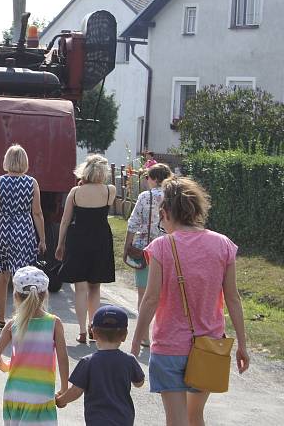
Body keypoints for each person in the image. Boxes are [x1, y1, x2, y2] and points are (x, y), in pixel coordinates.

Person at [130, 177, 249, 426]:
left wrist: (136, 343)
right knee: (196, 416)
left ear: (165, 213)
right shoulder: (223, 244)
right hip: (209, 346)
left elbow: (151, 299)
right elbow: (233, 299)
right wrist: (242, 345)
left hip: (169, 347)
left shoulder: (161, 247)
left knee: (176, 420)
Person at [0, 265, 68, 425]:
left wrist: (7, 367)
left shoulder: (13, 324)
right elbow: (62, 358)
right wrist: (64, 388)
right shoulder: (54, 323)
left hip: (14, 394)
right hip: (40, 395)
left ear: (16, 295)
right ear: (45, 294)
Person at [0, 144, 46, 328]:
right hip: (24, 232)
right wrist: (42, 238)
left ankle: (1, 317)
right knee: (24, 275)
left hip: (2, 231)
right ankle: (24, 316)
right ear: (25, 162)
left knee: (1, 276)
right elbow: (38, 213)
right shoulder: (32, 183)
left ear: (6, 161)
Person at [56, 154, 116, 344]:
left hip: (78, 240)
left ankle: (82, 330)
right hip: (100, 240)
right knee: (95, 287)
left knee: (79, 288)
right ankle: (94, 327)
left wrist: (60, 244)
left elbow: (65, 221)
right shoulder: (110, 191)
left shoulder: (75, 192)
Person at [56, 305, 145, 425]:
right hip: (124, 419)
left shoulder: (88, 362)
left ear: (94, 333)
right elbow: (139, 383)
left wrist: (60, 401)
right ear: (124, 335)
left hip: (97, 420)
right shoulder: (129, 360)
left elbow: (76, 391)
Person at [124, 163, 173, 346]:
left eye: (147, 177)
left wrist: (127, 245)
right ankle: (164, 333)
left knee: (144, 295)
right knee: (166, 295)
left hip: (145, 249)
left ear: (153, 178)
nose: (147, 181)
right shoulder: (173, 196)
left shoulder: (145, 197)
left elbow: (133, 222)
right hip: (169, 249)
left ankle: (144, 335)